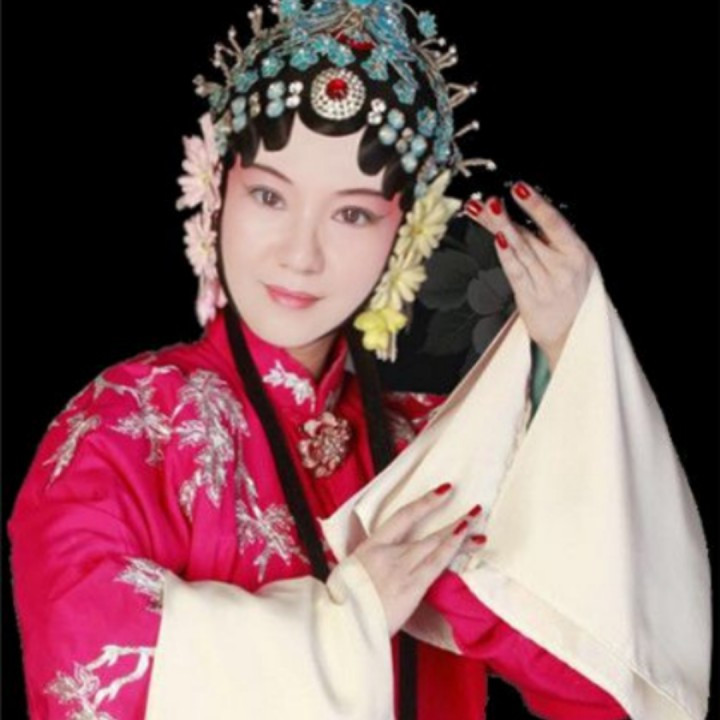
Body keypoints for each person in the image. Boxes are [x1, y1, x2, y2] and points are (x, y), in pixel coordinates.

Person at [6, 1, 638, 718]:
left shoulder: (430, 451)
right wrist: (352, 616)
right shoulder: (126, 427)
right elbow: (83, 662)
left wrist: (570, 359)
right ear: (214, 188)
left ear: (405, 233)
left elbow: (606, 674)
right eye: (269, 196)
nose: (300, 255)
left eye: (353, 213)